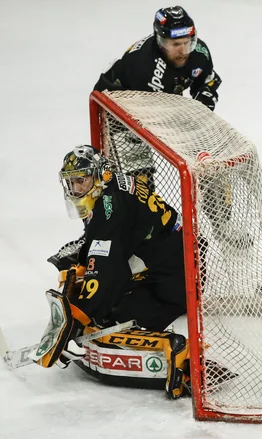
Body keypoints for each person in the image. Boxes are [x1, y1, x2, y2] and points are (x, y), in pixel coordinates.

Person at [33, 145, 193, 398]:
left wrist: (76, 321)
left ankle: (180, 356)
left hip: (178, 279)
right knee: (87, 279)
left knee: (109, 321)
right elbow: (109, 241)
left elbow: (107, 272)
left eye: (80, 181)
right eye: (71, 182)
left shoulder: (110, 209)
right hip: (179, 256)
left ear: (97, 175)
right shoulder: (112, 185)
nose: (75, 189)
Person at [94, 5, 221, 111]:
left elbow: (207, 80)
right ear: (161, 42)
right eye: (176, 44)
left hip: (156, 101)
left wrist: (205, 95)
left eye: (188, 43)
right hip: (114, 98)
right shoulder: (142, 64)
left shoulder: (200, 53)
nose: (183, 51)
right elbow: (156, 116)